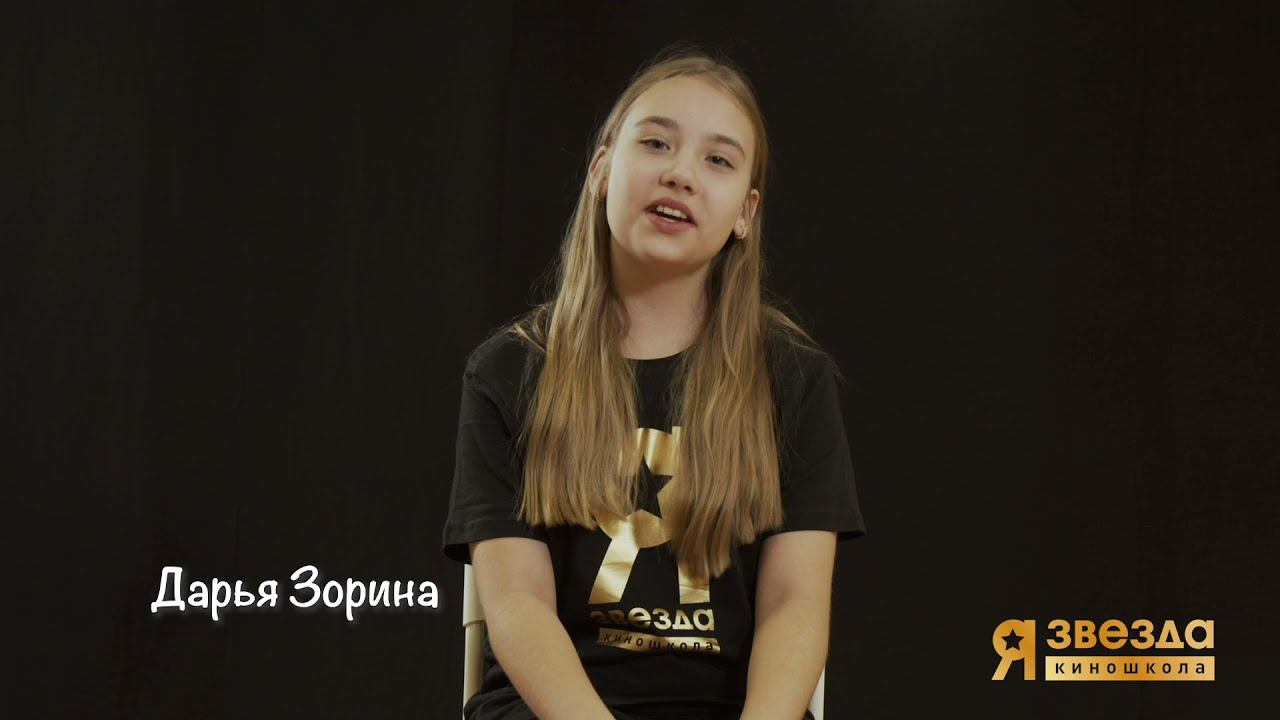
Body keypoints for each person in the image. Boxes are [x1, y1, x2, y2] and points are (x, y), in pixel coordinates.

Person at [442, 44, 867, 720]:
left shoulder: (793, 379)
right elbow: (518, 603)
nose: (680, 174)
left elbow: (796, 603)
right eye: (656, 143)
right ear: (601, 171)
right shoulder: (508, 371)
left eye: (718, 160)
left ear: (746, 212)